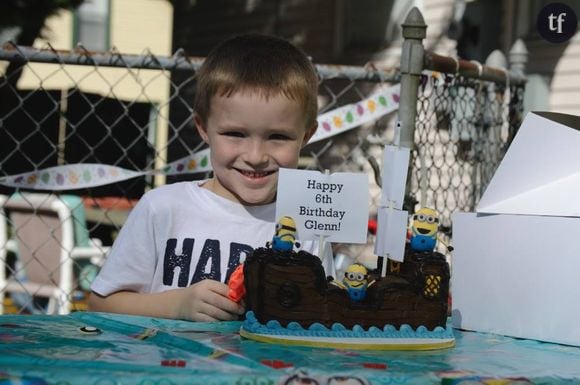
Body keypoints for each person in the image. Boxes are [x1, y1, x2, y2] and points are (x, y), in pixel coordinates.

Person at [88, 33, 335, 322]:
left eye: (277, 137)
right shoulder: (163, 207)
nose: (255, 155)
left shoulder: (309, 226)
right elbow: (102, 303)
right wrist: (177, 306)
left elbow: (323, 317)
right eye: (235, 134)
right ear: (203, 127)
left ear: (306, 136)